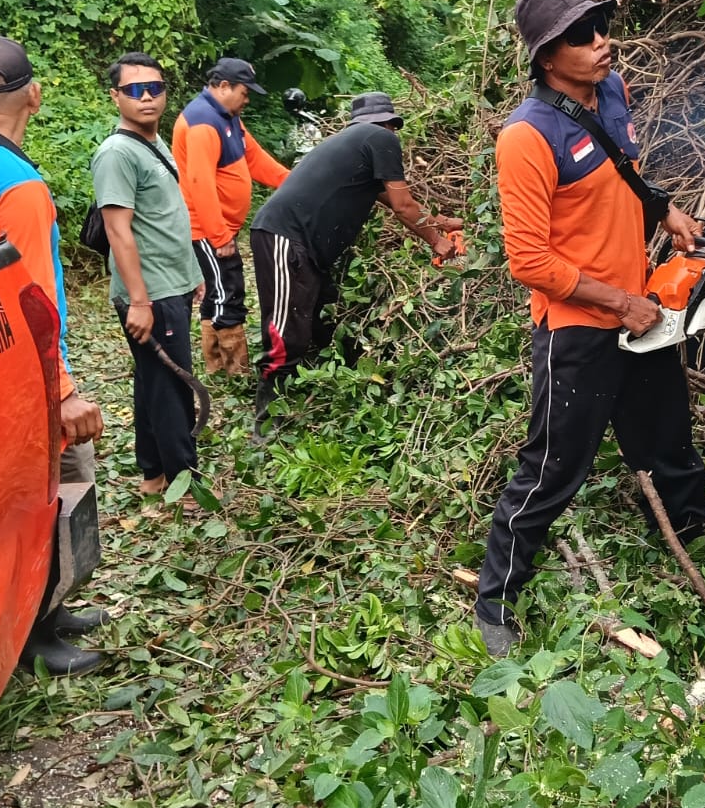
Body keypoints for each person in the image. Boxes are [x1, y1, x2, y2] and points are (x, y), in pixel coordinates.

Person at [474, 0, 705, 658]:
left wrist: (662, 207)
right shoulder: (525, 137)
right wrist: (618, 301)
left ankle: (692, 546)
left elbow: (624, 173)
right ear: (548, 56)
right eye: (582, 35)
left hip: (641, 308)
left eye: (602, 26)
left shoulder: (612, 91)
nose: (602, 42)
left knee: (668, 438)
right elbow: (528, 260)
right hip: (579, 325)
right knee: (553, 465)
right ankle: (496, 602)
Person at [0, 34, 107, 676]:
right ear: (35, 98)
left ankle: (44, 611)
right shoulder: (20, 188)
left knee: (3, 503)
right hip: (19, 376)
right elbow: (32, 300)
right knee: (55, 493)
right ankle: (36, 630)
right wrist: (63, 392)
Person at [248, 91, 462, 427]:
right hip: (284, 237)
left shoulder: (356, 146)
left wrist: (440, 222)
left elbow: (396, 203)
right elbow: (404, 206)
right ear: (389, 124)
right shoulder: (381, 139)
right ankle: (266, 423)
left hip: (302, 245)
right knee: (285, 333)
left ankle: (316, 398)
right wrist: (436, 241)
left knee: (321, 319)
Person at [90, 52, 204, 495]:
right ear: (116, 96)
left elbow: (165, 219)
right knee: (173, 388)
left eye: (155, 88)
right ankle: (185, 485)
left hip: (169, 284)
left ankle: (153, 474)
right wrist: (140, 300)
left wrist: (192, 272)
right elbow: (119, 232)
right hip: (150, 292)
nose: (147, 98)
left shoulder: (152, 144)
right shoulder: (117, 153)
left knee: (154, 382)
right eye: (135, 90)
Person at [172, 57, 289, 378]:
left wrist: (293, 181)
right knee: (228, 292)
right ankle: (235, 371)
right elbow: (199, 184)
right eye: (244, 92)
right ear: (223, 87)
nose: (247, 99)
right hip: (207, 230)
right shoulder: (202, 123)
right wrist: (220, 236)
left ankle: (216, 366)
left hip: (221, 226)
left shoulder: (227, 116)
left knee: (217, 291)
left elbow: (255, 158)